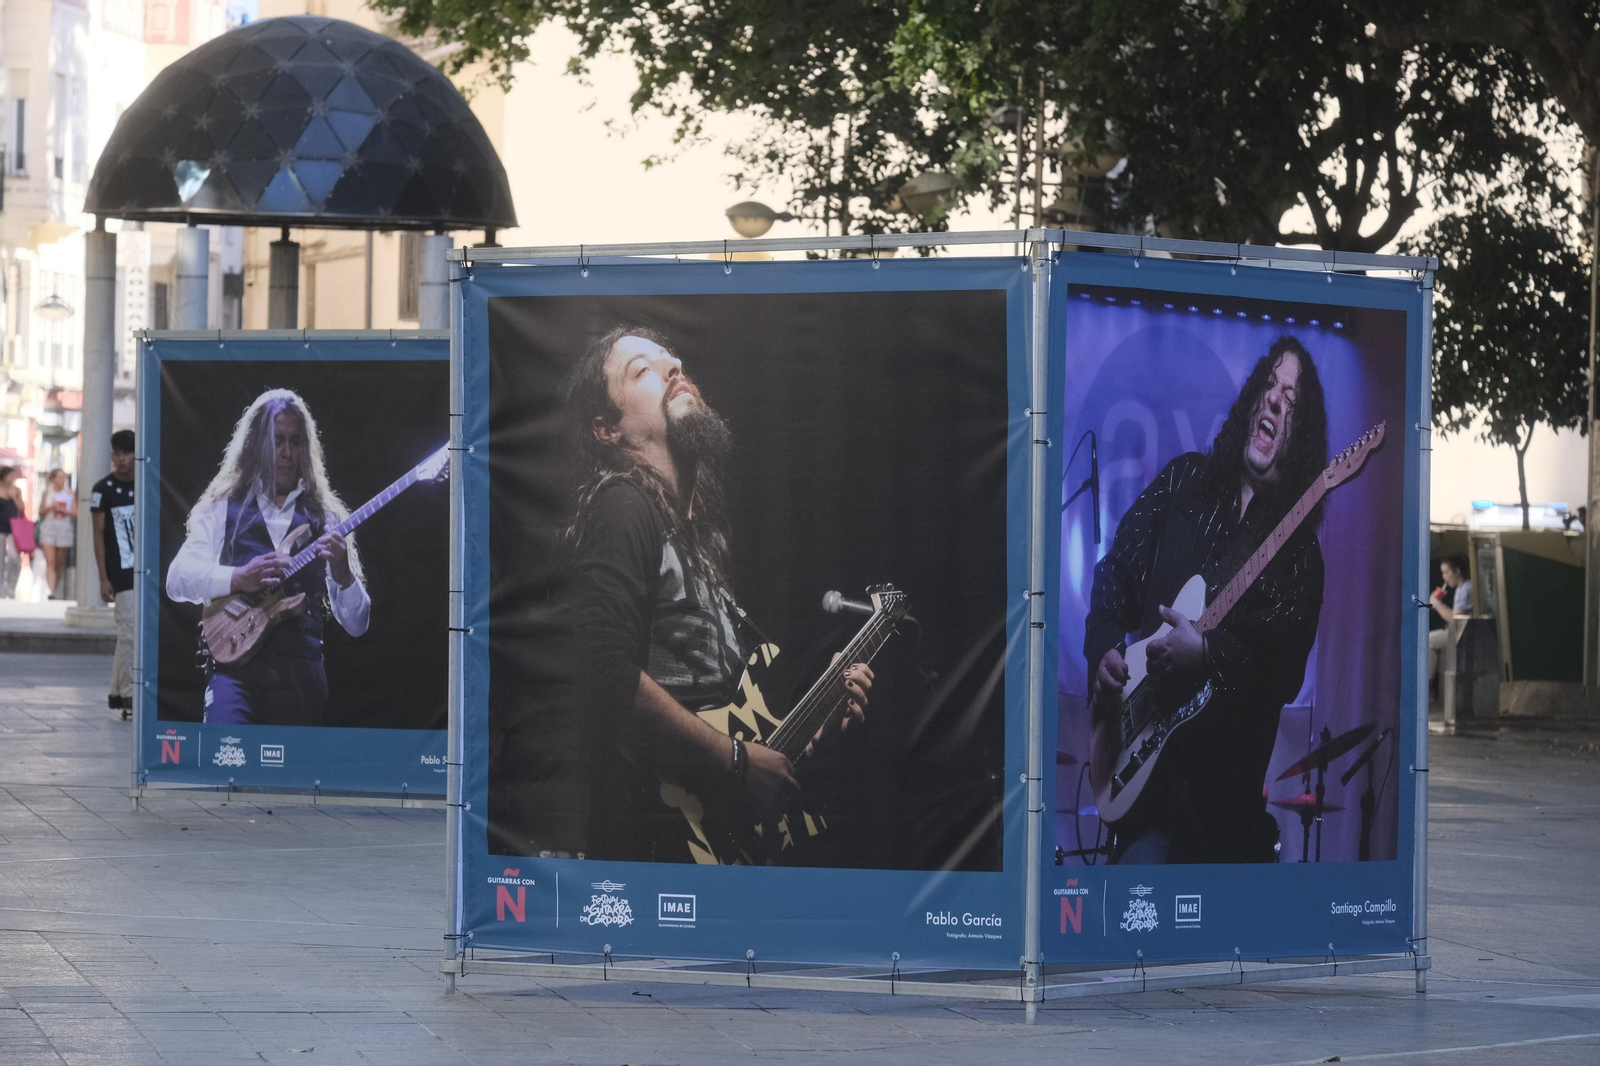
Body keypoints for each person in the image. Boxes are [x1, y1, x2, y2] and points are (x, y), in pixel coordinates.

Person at [564, 326, 872, 863]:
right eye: (642, 370)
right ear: (606, 429)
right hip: (661, 847)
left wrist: (816, 731)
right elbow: (602, 668)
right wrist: (733, 761)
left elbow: (721, 715)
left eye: (672, 360)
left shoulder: (692, 538)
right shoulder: (623, 507)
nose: (673, 367)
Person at [1086, 336, 1328, 864]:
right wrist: (1105, 649)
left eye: (1291, 401)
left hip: (1225, 817)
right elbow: (1115, 575)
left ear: (1301, 435)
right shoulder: (1183, 483)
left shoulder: (1298, 556)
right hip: (1148, 799)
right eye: (1269, 387)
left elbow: (1283, 669)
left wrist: (1208, 655)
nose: (1273, 401)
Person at [166, 390, 369, 725]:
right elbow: (177, 579)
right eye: (276, 441)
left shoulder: (326, 519)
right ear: (256, 446)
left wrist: (344, 575)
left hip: (301, 679)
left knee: (295, 779)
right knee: (227, 766)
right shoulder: (222, 507)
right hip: (234, 673)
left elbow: (358, 625)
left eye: (295, 441)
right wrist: (238, 577)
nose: (287, 453)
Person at [92, 433, 138, 717]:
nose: (122, 459)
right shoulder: (102, 489)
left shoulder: (146, 484)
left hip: (144, 570)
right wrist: (102, 577)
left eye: (128, 453)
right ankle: (131, 696)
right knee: (129, 631)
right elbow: (98, 536)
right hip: (120, 572)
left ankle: (118, 693)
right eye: (117, 453)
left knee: (128, 633)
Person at [1427, 555, 1474, 686]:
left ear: (1457, 571)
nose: (1444, 577)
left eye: (1447, 572)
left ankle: (1426, 684)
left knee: (1427, 640)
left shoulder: (1464, 589)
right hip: (1459, 631)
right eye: (1443, 573)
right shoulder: (1462, 588)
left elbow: (1455, 619)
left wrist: (1437, 604)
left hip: (1463, 633)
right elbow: (1455, 614)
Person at [36, 469, 76, 598]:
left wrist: (64, 511)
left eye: (64, 477)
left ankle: (54, 586)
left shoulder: (70, 494)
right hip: (49, 528)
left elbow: (76, 512)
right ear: (53, 479)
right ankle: (51, 591)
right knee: (51, 561)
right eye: (59, 477)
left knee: (59, 562)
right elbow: (41, 511)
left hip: (64, 529)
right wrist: (51, 508)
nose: (62, 480)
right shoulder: (47, 493)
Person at [0, 465, 25, 599]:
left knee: (15, 558)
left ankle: (11, 586)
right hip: (0, 529)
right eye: (11, 475)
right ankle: (1, 590)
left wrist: (14, 498)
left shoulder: (17, 490)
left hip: (13, 530)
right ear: (4, 477)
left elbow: (22, 509)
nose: (13, 478)